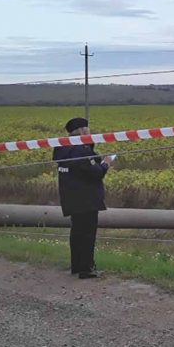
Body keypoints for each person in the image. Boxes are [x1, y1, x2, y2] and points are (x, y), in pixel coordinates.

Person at [52, 117, 113, 279]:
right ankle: (87, 269)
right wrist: (106, 163)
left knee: (76, 232)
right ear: (82, 130)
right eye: (88, 129)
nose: (90, 132)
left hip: (70, 197)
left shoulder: (61, 148)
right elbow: (95, 173)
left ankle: (76, 266)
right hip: (86, 198)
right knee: (87, 234)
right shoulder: (81, 151)